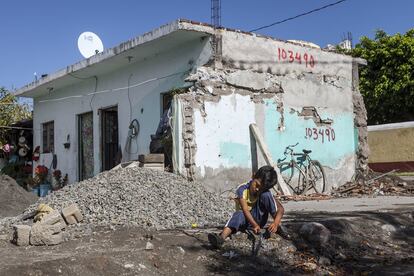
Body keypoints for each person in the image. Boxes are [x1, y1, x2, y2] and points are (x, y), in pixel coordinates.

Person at [208, 165, 287, 249]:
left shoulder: (264, 192)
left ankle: (277, 226)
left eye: (261, 188)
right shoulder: (241, 189)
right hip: (244, 220)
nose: (257, 189)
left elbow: (280, 209)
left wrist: (276, 222)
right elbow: (245, 210)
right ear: (253, 176)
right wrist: (254, 225)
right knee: (239, 214)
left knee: (266, 195)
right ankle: (221, 238)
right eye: (257, 185)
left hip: (259, 220)